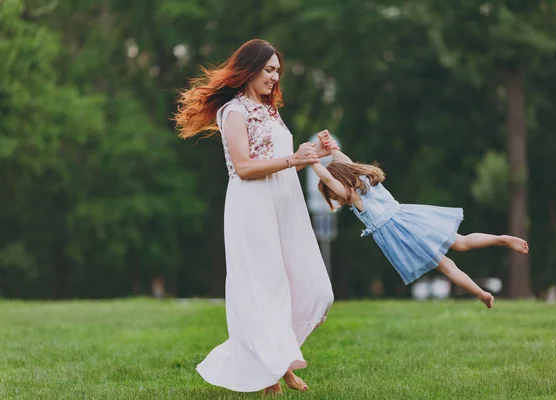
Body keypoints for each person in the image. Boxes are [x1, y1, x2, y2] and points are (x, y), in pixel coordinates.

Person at [174, 39, 334, 395]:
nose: (275, 78)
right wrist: (293, 160)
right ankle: (274, 368)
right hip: (253, 206)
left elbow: (282, 156)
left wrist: (313, 153)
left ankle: (279, 358)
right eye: (269, 70)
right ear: (250, 69)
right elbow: (244, 167)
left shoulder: (270, 111)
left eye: (278, 71)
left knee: (315, 289)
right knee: (268, 288)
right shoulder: (233, 112)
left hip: (285, 202)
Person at [311, 131, 529, 308]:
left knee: (448, 267)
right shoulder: (363, 180)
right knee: (461, 242)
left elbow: (328, 177)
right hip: (410, 217)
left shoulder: (354, 196)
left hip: (402, 233)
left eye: (334, 195)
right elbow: (343, 162)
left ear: (340, 185)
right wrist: (331, 148)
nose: (338, 199)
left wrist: (311, 160)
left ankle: (482, 294)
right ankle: (502, 239)